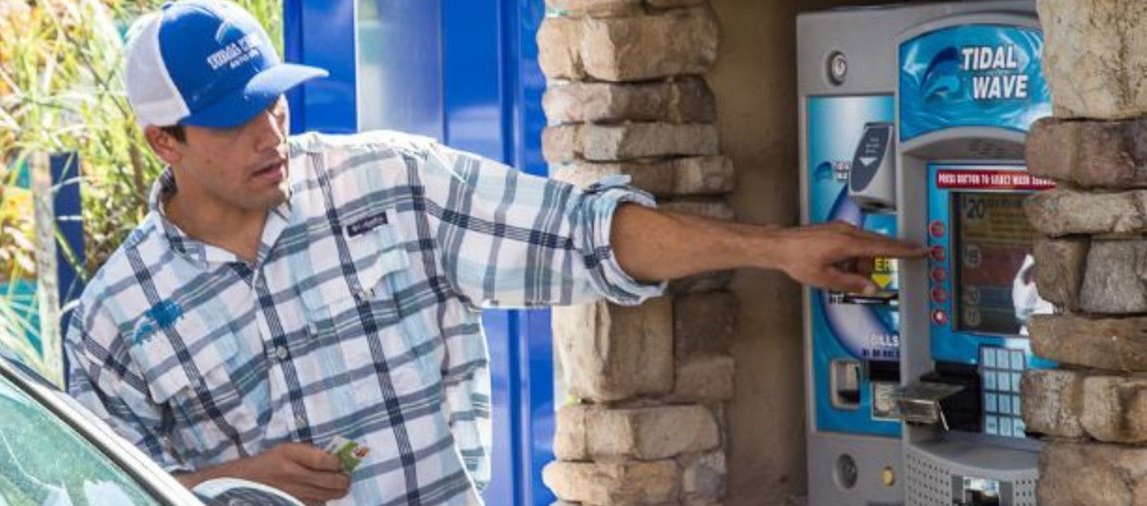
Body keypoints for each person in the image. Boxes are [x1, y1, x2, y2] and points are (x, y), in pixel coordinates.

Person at [63, 1, 926, 504]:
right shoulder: (113, 320)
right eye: (234, 118)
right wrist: (240, 483)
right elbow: (97, 489)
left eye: (275, 103)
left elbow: (582, 231)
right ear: (163, 143)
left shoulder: (389, 182)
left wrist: (779, 249)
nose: (269, 131)